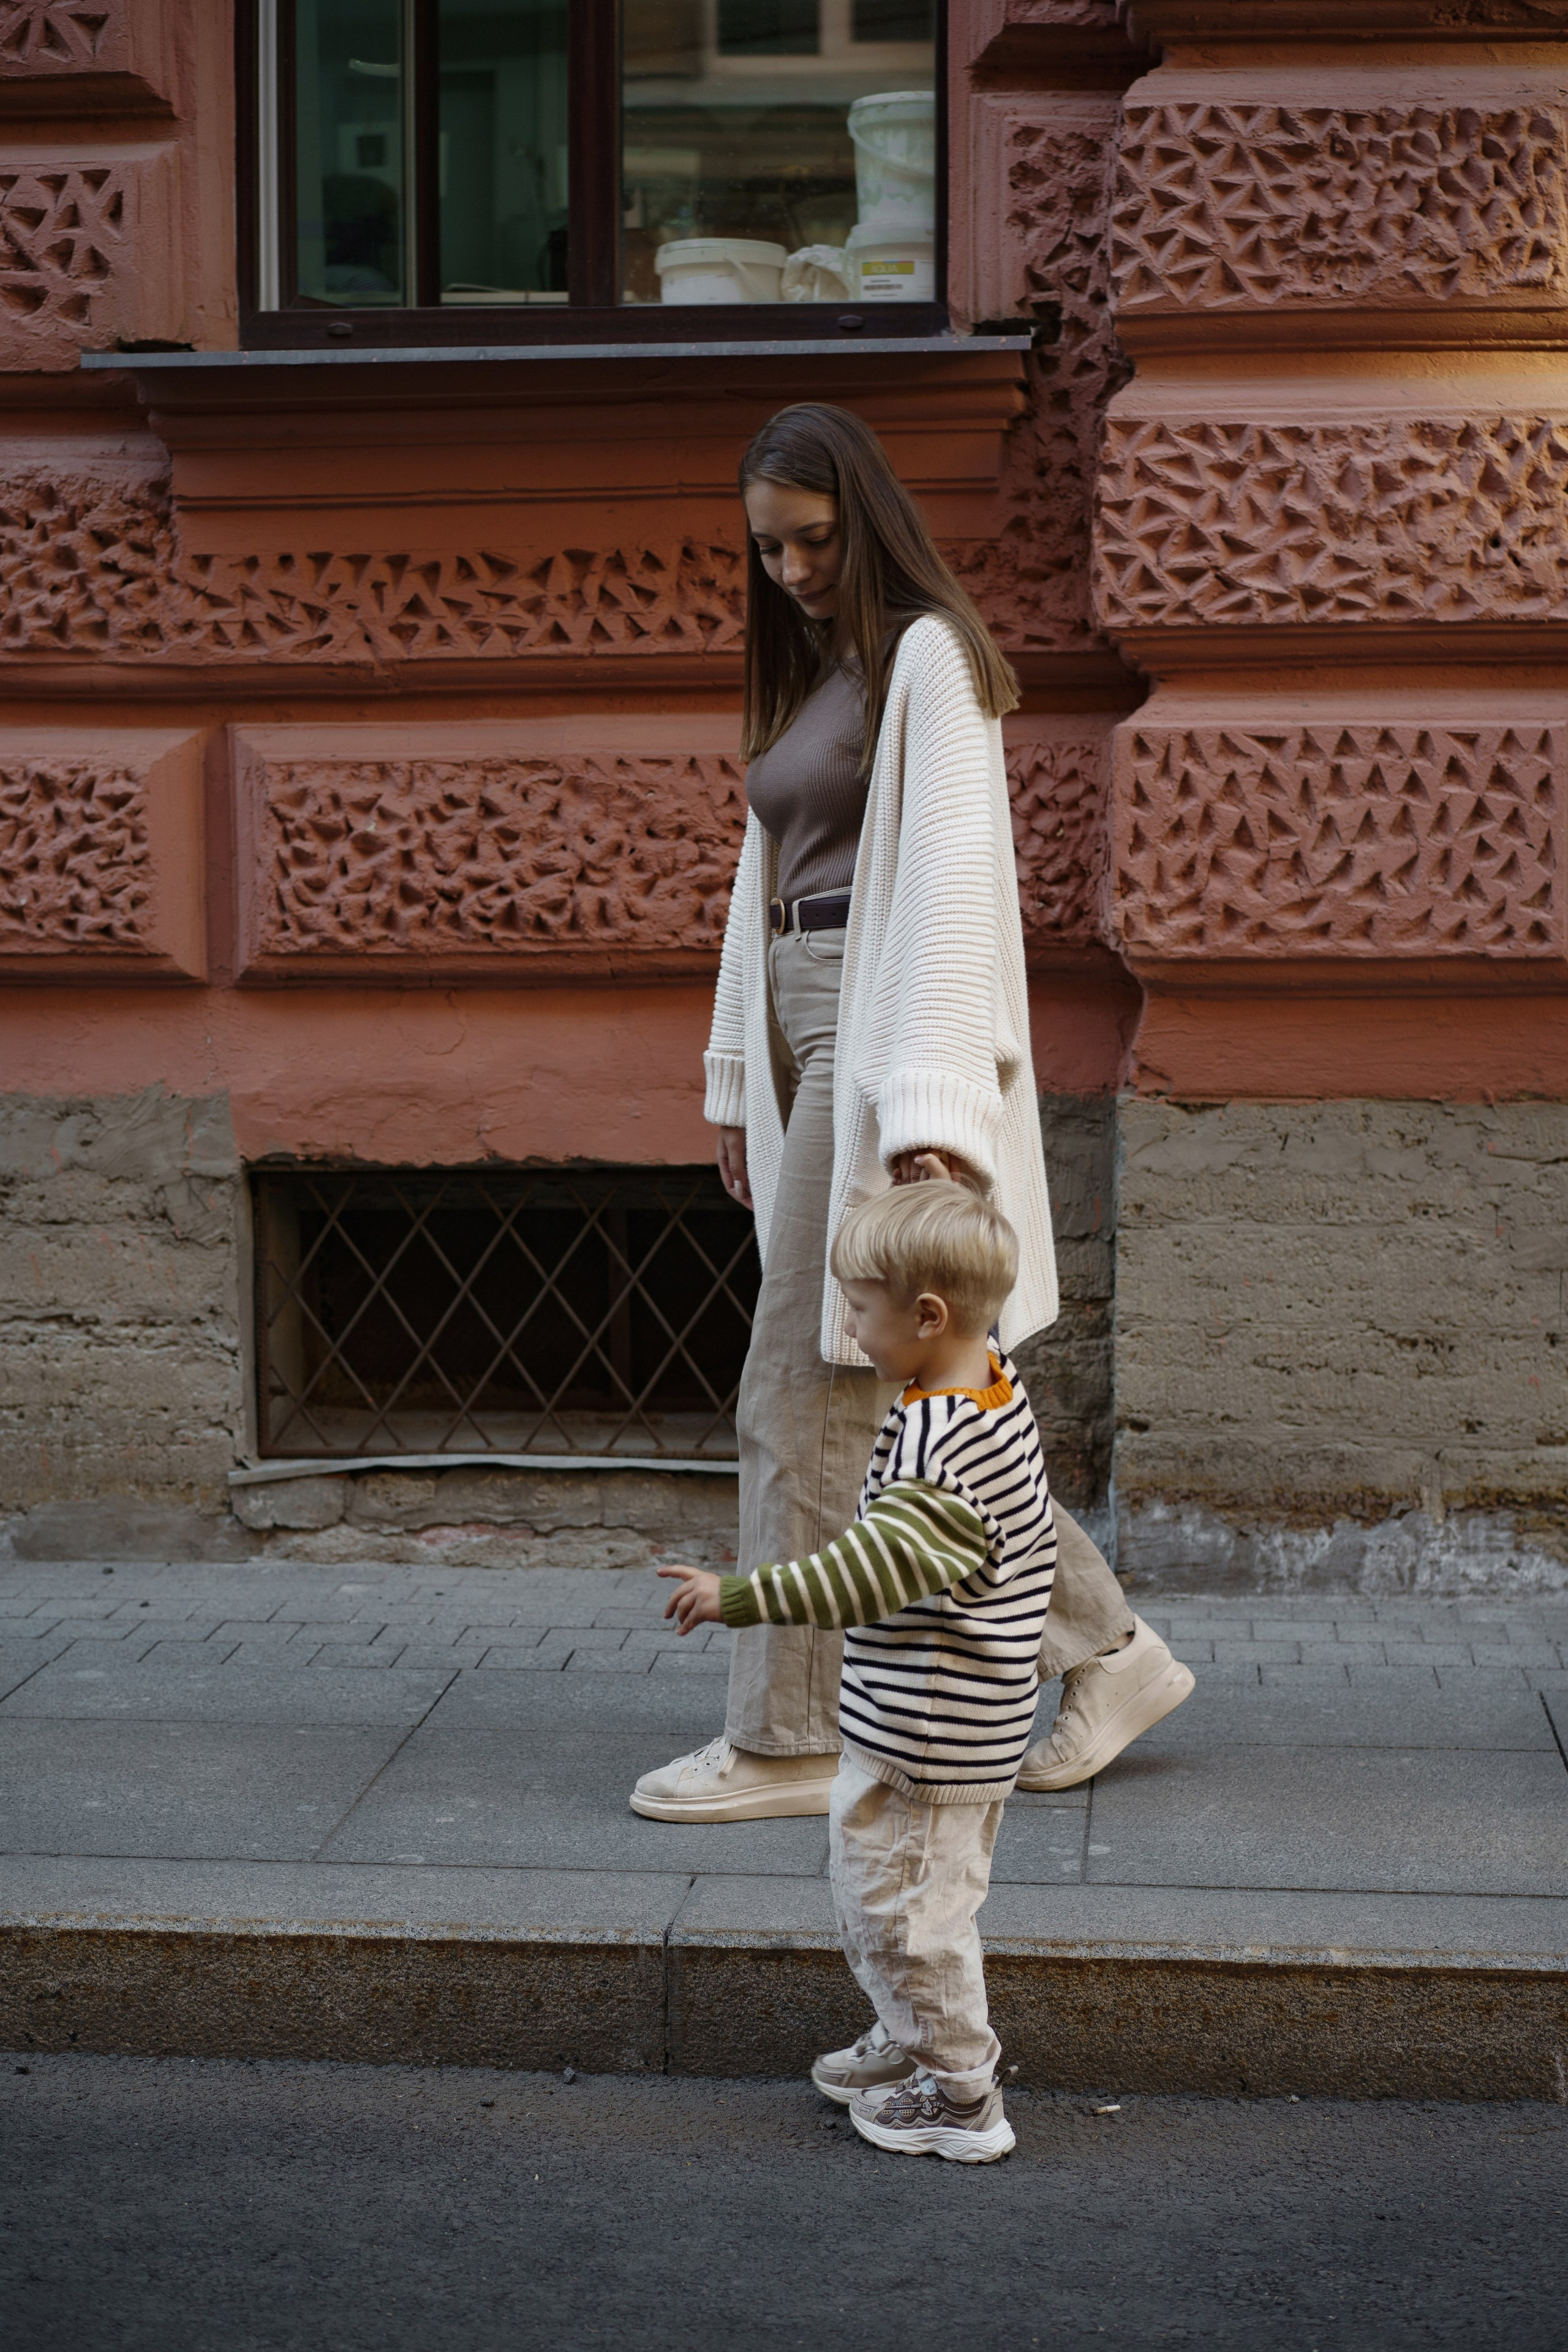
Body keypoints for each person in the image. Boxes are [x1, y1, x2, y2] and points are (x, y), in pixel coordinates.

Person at [629, 402, 1191, 1828]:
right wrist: (731, 1080)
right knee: (883, 1380)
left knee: (802, 1379)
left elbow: (943, 885)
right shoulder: (818, 671)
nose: (793, 569)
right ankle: (1110, 1653)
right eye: (766, 547)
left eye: (814, 539)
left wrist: (926, 1111)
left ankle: (786, 1738)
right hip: (808, 1025)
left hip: (881, 1031)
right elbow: (759, 898)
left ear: (866, 520)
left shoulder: (927, 660)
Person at [658, 1181, 1052, 2162]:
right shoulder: (988, 1380)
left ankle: (959, 2094)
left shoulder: (938, 1445)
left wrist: (739, 1596)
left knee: (904, 1911)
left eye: (862, 1310)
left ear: (928, 1316)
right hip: (957, 1716)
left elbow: (863, 1574)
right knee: (904, 1897)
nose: (852, 1329)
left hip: (927, 1728)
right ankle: (914, 2038)